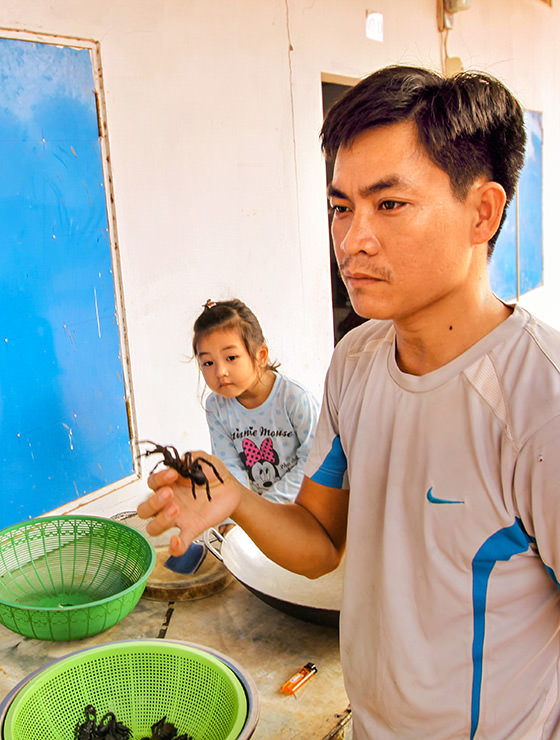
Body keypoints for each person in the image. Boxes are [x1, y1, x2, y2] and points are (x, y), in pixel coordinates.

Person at [138, 65, 560, 739]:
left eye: (389, 205)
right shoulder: (357, 362)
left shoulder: (540, 399)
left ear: (482, 212)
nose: (352, 239)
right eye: (341, 207)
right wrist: (237, 502)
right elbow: (324, 541)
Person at [192, 298, 319, 504]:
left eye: (231, 357)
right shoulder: (216, 407)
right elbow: (230, 467)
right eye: (207, 362)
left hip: (307, 503)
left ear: (260, 355)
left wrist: (266, 506)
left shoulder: (294, 399)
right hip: (264, 507)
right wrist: (237, 513)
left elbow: (314, 462)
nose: (220, 372)